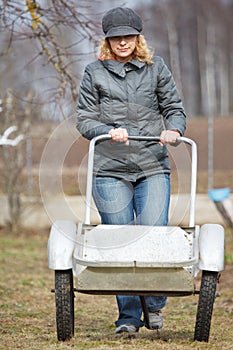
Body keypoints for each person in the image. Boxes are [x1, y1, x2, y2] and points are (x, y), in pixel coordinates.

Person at [76, 7, 186, 334]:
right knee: (121, 241)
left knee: (153, 233)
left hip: (152, 164)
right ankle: (127, 319)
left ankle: (152, 305)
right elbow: (84, 118)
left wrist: (175, 131)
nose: (122, 42)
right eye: (115, 38)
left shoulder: (156, 68)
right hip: (110, 170)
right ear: (107, 41)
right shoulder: (94, 72)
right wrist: (106, 131)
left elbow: (173, 108)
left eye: (128, 36)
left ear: (138, 38)